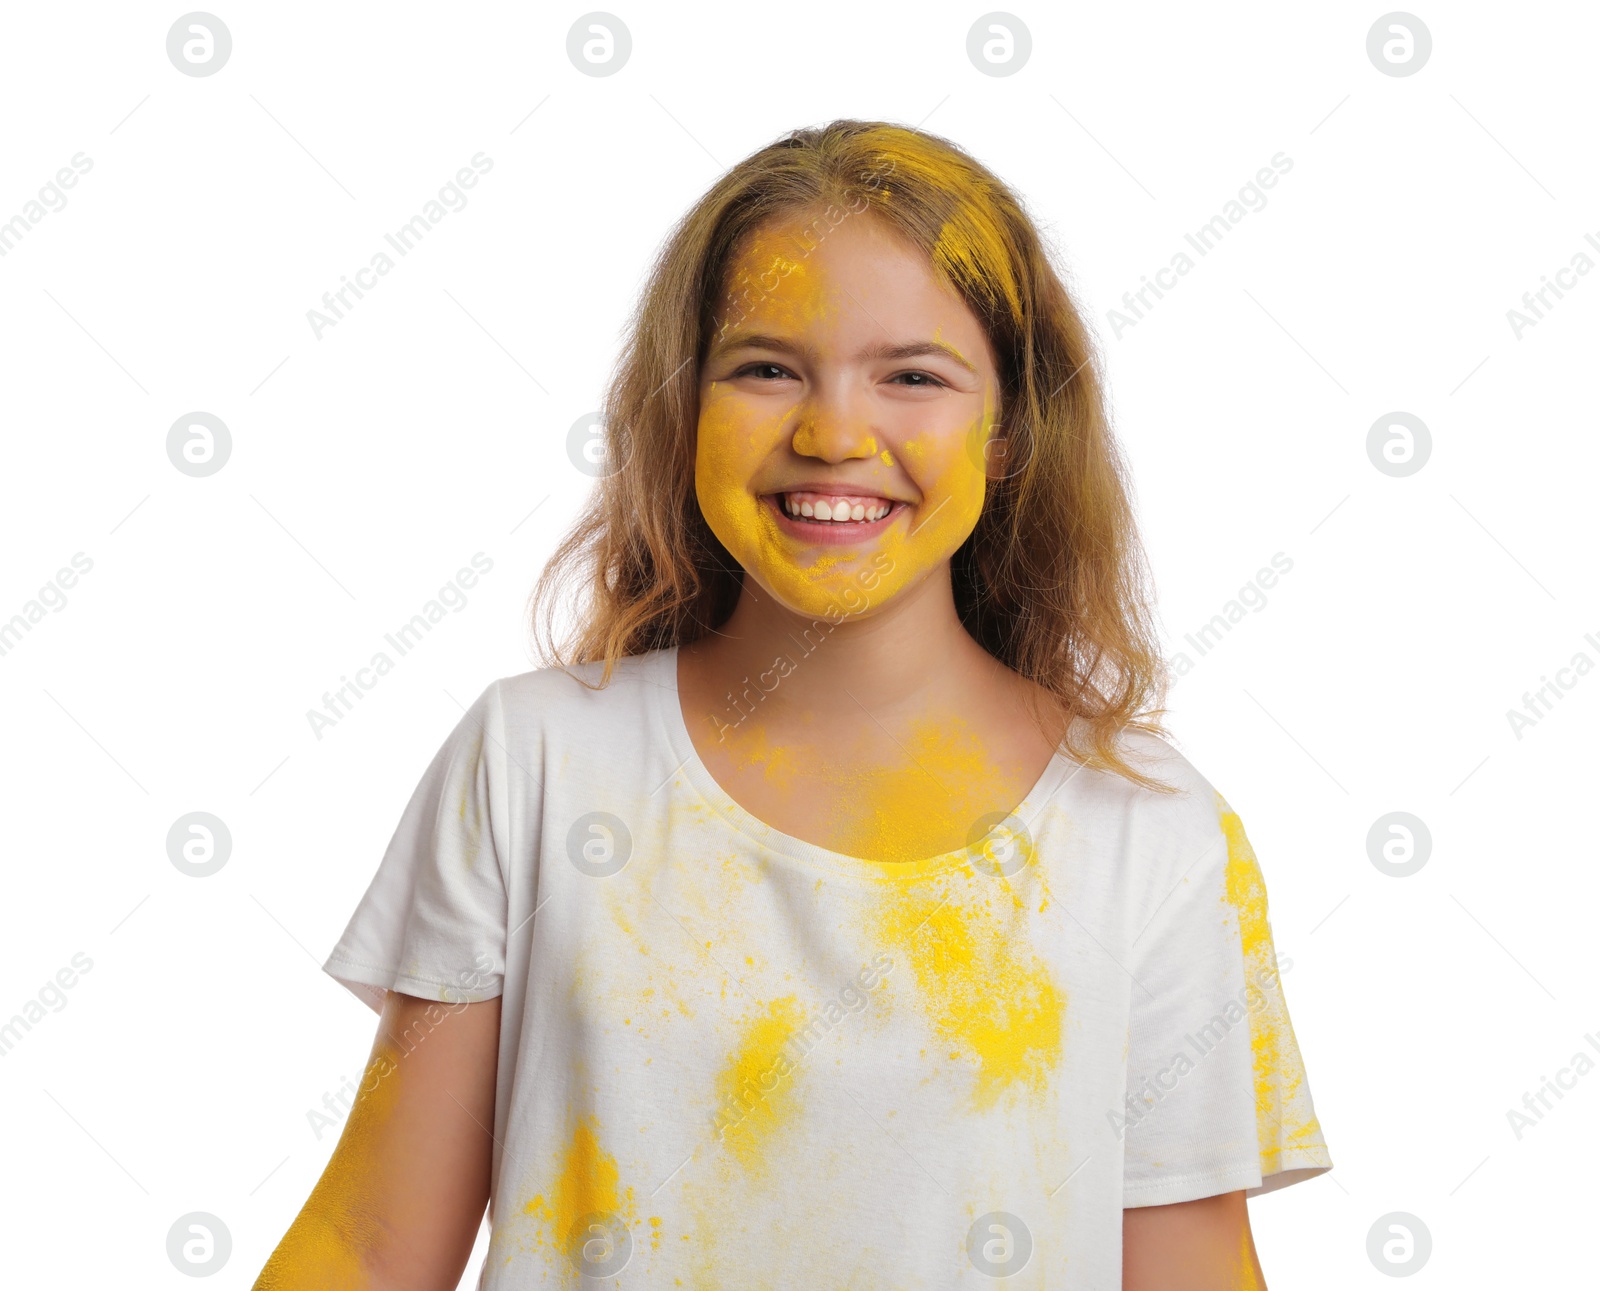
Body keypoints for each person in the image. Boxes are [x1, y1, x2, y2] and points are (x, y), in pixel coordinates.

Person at [254, 118, 1331, 1290]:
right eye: (766, 368)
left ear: (1010, 429)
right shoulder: (534, 762)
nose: (832, 434)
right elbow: (369, 1245)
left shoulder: (1149, 830)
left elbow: (1186, 1265)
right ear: (685, 406)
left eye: (912, 376)